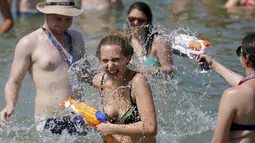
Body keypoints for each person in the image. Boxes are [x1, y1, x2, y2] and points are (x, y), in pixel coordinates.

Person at [0, 0, 87, 135]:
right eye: (58, 18)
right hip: (49, 119)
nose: (63, 23)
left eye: (68, 19)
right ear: (46, 13)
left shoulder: (76, 37)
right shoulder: (29, 42)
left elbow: (86, 72)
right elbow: (14, 81)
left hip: (79, 115)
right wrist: (10, 104)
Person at [93, 33, 157, 143]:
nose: (110, 66)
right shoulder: (100, 81)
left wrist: (110, 128)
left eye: (115, 60)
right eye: (105, 60)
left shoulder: (138, 82)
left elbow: (150, 127)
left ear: (127, 59)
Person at [197, 33, 255, 143]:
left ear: (246, 58)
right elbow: (244, 83)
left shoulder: (232, 95)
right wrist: (212, 64)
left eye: (240, 51)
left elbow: (219, 141)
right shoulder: (246, 89)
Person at [125, 2, 173, 73]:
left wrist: (147, 69)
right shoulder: (124, 40)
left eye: (140, 20)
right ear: (127, 18)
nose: (135, 23)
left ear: (148, 21)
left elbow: (169, 69)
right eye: (132, 19)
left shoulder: (158, 41)